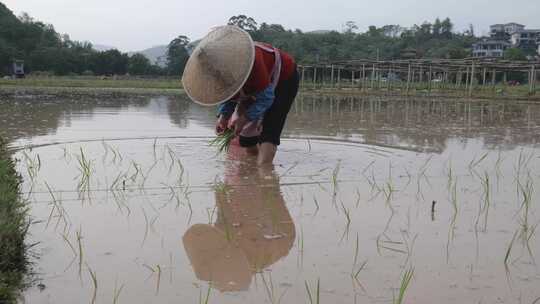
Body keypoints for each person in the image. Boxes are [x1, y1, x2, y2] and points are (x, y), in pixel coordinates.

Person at [182, 25, 299, 165]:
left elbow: (266, 98)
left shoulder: (252, 60)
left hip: (284, 79)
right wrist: (224, 117)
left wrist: (244, 118)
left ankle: (265, 174)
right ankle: (253, 169)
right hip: (254, 86)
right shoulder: (217, 72)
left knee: (270, 129)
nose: (213, 71)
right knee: (246, 139)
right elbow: (229, 93)